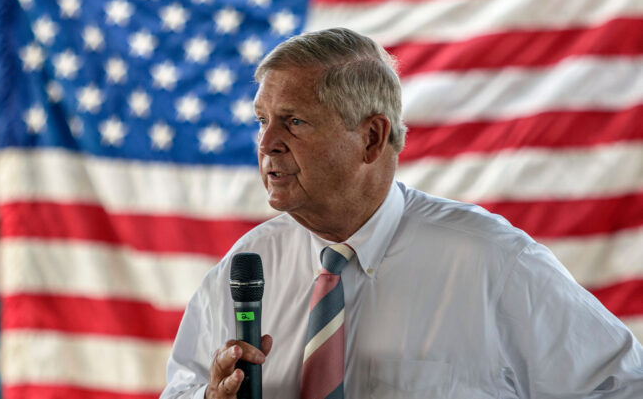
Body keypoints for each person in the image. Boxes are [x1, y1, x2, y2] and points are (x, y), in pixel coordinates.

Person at [161, 28, 643, 399]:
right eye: (262, 121)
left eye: (295, 122)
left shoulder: (491, 259)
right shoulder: (247, 263)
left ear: (371, 138)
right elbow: (180, 387)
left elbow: (622, 385)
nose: (266, 145)